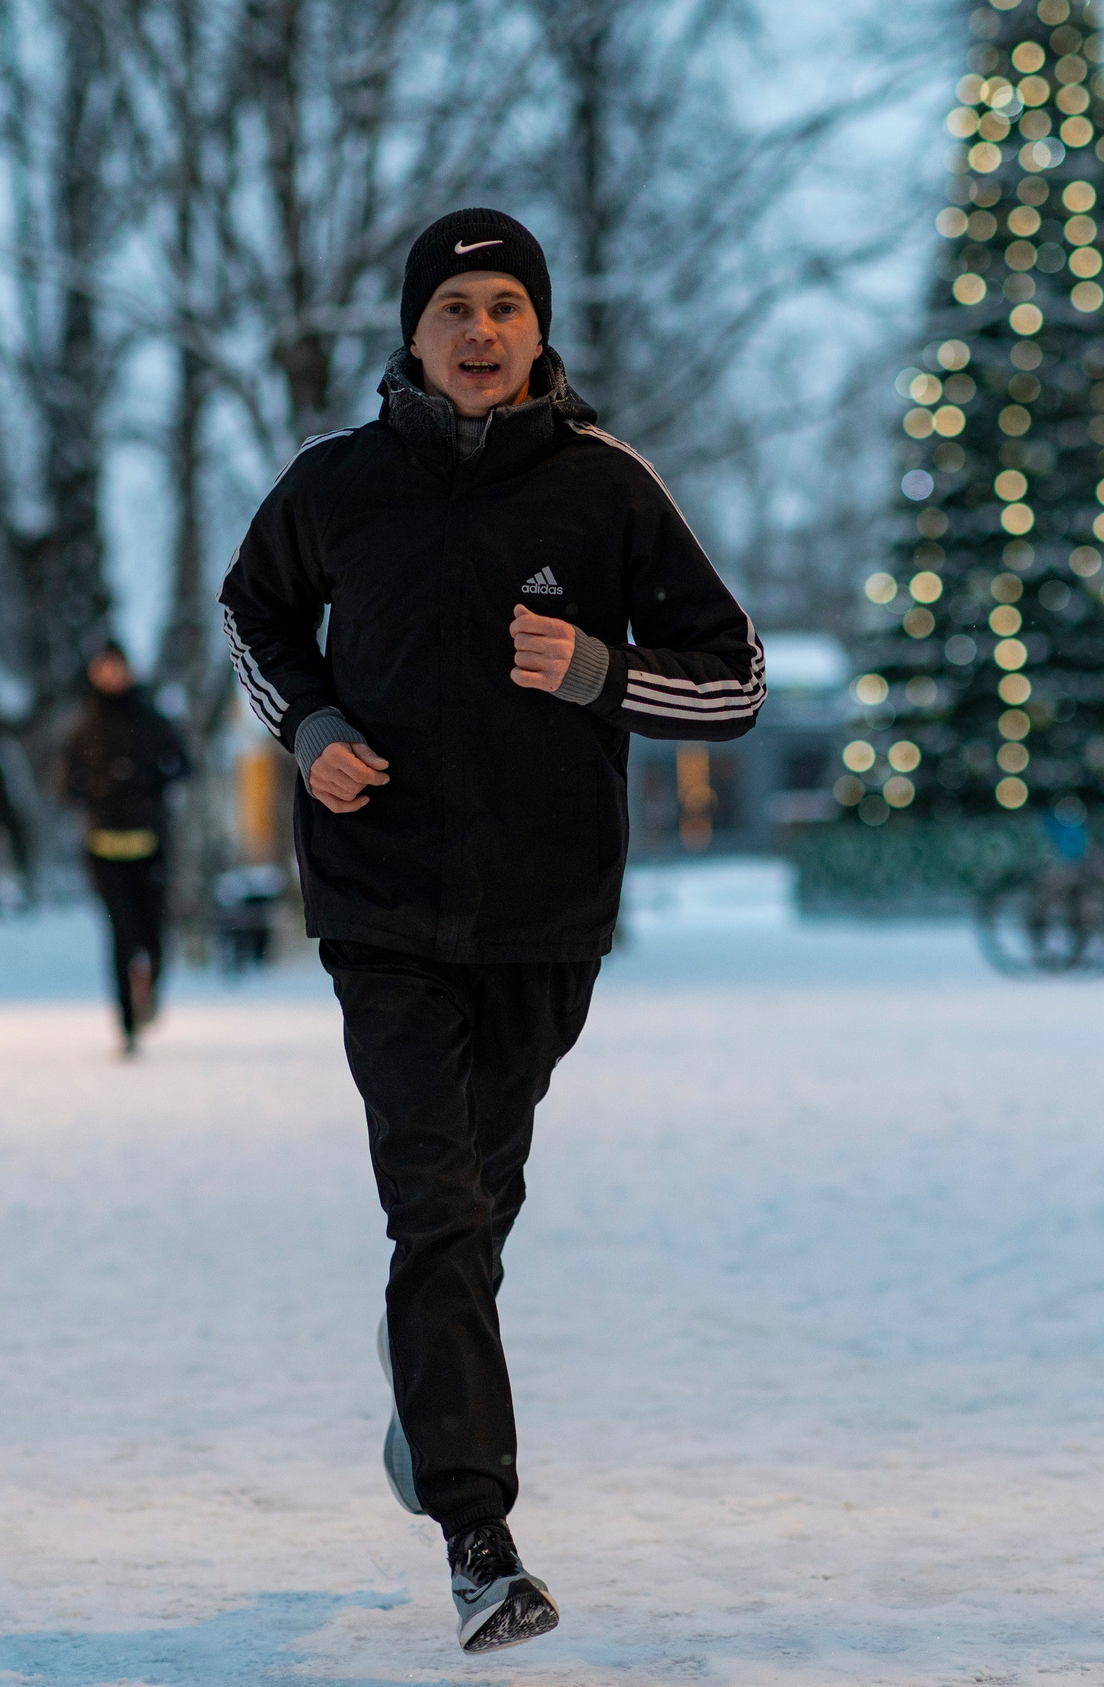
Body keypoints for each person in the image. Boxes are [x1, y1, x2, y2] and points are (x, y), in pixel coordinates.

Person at [219, 208, 762, 1654]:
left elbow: (735, 680)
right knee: (437, 1206)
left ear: (538, 330)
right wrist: (310, 726)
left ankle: (427, 1391)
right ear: (411, 334)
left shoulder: (604, 486)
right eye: (453, 307)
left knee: (479, 1202)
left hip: (542, 912)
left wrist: (599, 672)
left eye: (505, 305)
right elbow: (253, 617)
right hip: (380, 904)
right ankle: (479, 1539)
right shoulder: (336, 483)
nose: (479, 331)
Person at [62, 643, 189, 1056]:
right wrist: (97, 791)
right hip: (104, 851)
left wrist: (149, 786)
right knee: (121, 935)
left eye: (118, 667)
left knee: (153, 936)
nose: (113, 675)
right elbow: (64, 784)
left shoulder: (152, 720)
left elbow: (182, 765)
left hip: (150, 846)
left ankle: (149, 990)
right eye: (105, 668)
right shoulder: (83, 727)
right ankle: (127, 1024)